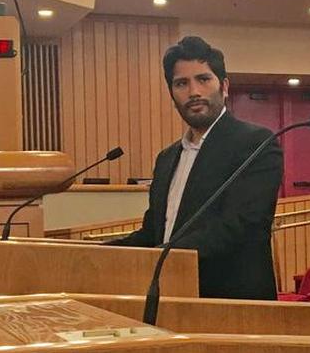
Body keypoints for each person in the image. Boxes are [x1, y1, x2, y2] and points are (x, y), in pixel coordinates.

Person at [108, 36, 282, 300]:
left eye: (203, 79)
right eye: (181, 83)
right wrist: (101, 251)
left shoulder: (256, 143)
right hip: (170, 296)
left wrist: (162, 255)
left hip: (232, 303)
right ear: (172, 94)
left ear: (224, 86)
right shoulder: (166, 159)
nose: (193, 92)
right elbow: (153, 232)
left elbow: (239, 225)